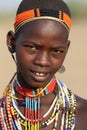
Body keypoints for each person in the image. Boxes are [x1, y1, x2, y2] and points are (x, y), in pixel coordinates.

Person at [0, 0, 87, 130]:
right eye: (32, 47)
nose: (43, 61)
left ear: (66, 49)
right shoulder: (3, 115)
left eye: (56, 51)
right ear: (12, 42)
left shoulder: (82, 115)